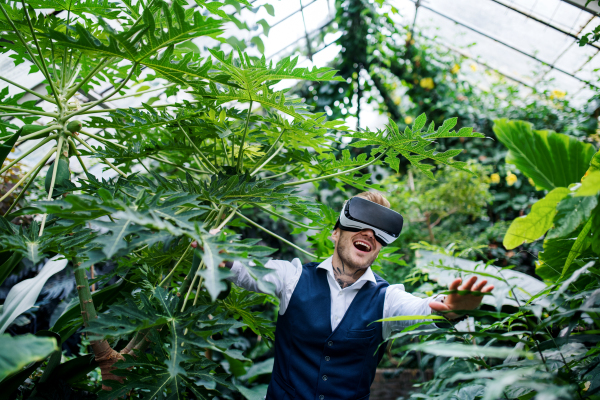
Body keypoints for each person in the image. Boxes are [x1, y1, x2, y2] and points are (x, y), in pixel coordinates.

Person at [223, 191, 494, 400]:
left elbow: (424, 310)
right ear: (336, 232)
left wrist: (452, 309)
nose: (369, 233)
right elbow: (246, 269)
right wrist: (218, 250)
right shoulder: (292, 278)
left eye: (379, 232)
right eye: (360, 224)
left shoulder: (386, 300)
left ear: (379, 248)